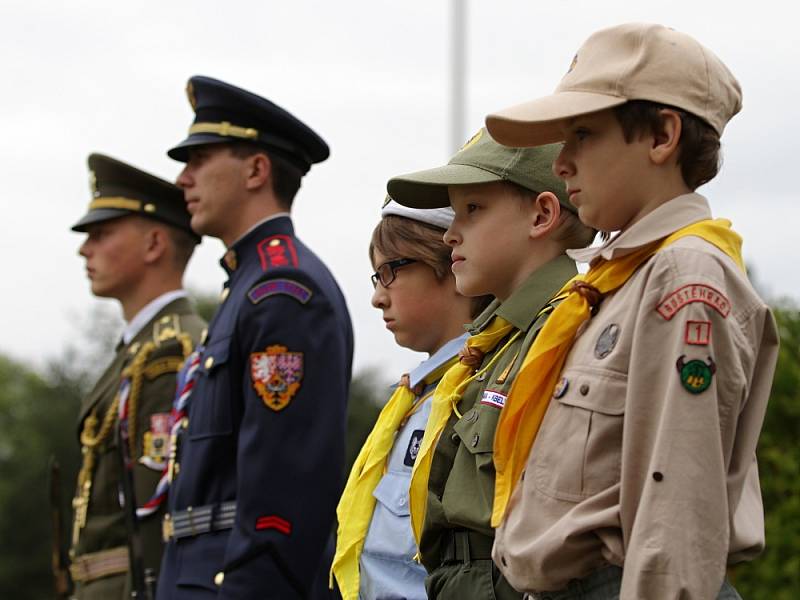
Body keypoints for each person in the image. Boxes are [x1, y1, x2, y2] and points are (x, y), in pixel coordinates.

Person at [485, 22, 780, 599]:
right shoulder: (620, 282)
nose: (561, 162)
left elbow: (677, 511)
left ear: (661, 136)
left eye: (583, 135)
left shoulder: (686, 277)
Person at [157, 75, 354, 600]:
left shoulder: (282, 291)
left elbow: (284, 491)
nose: (182, 179)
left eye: (198, 160)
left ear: (256, 169)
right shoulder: (245, 287)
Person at [385, 129, 594, 599]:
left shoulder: (567, 331)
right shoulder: (496, 344)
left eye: (472, 210)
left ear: (542, 214)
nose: (449, 233)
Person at [332, 198, 492, 600]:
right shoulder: (416, 399)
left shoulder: (469, 394)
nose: (377, 298)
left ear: (449, 263)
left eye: (390, 272)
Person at [69, 153, 206, 599]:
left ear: (153, 245)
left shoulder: (167, 353)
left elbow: (155, 514)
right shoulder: (142, 347)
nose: (84, 248)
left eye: (102, 233)